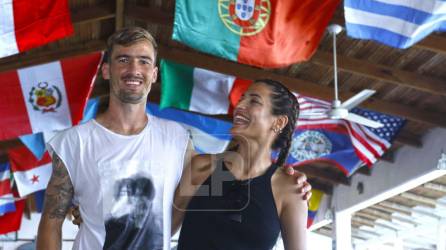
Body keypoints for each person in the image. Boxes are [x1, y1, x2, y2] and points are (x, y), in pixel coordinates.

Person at [36, 27, 311, 250]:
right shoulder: (74, 142)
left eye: (144, 61)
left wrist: (288, 177)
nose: (134, 69)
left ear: (154, 74)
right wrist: (91, 208)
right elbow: (51, 224)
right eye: (123, 59)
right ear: (106, 70)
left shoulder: (177, 139)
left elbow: (231, 184)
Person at [173, 79, 308, 250]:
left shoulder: (288, 189)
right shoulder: (205, 168)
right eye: (242, 98)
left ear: (278, 122)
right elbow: (161, 230)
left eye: (254, 101)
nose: (239, 105)